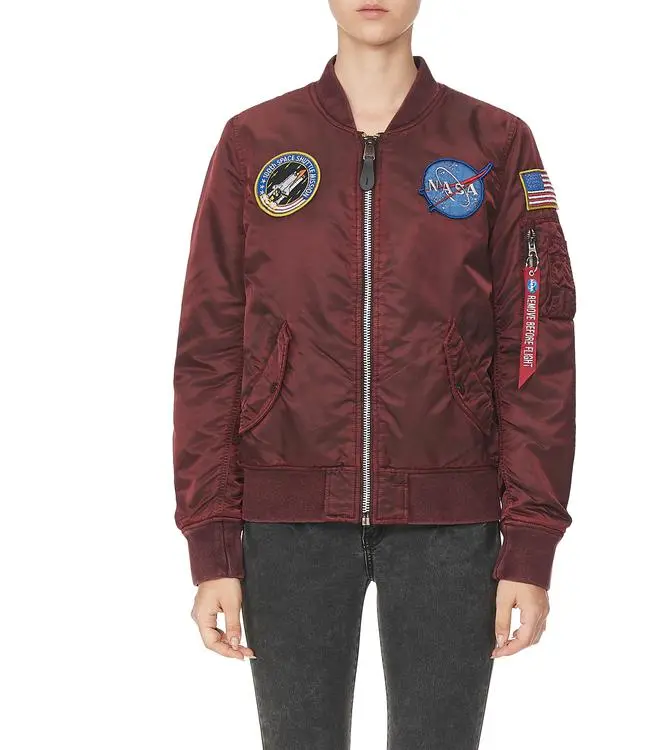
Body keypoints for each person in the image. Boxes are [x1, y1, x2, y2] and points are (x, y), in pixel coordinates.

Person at [171, 1, 576, 747]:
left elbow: (534, 347)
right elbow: (209, 349)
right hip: (286, 520)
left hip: (452, 523)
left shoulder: (495, 142)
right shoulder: (254, 142)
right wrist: (213, 540)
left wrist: (529, 542)